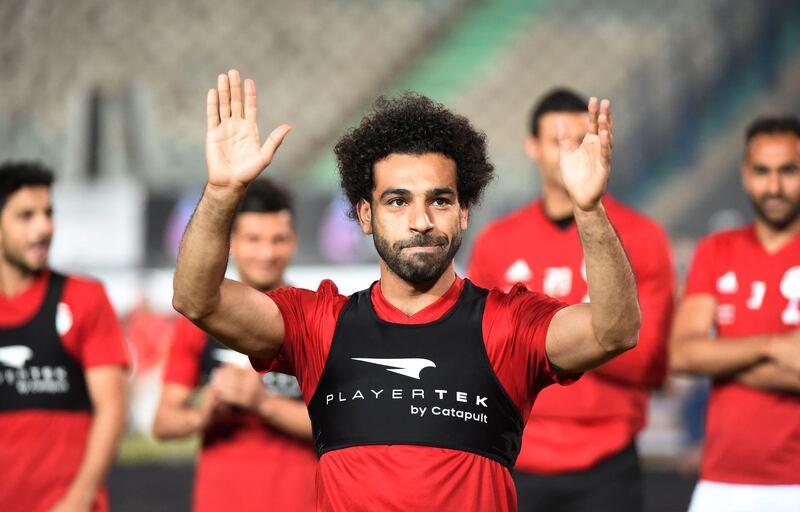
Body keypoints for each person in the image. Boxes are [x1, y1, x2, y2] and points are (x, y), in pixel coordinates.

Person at [172, 69, 641, 512]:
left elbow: (613, 332)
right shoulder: (319, 324)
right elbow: (198, 299)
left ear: (463, 213)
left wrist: (589, 209)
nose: (421, 221)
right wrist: (222, 191)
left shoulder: (507, 325)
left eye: (440, 200)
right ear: (364, 215)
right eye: (397, 201)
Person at [467, 88, 674, 512]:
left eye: (581, 140)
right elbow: (480, 354)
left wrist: (534, 341)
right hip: (515, 455)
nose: (569, 151)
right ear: (531, 148)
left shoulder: (641, 236)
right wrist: (591, 332)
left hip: (608, 462)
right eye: (556, 140)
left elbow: (649, 358)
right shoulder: (496, 242)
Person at [153, 178, 316, 511]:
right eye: (254, 239)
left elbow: (341, 423)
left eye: (278, 240)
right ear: (231, 242)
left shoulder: (317, 318)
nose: (266, 253)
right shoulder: (199, 324)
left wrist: (262, 402)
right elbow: (163, 423)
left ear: (294, 242)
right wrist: (203, 412)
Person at [670, 116, 800, 511]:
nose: (773, 186)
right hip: (721, 485)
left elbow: (702, 353)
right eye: (762, 171)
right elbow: (683, 355)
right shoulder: (716, 249)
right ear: (745, 175)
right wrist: (776, 345)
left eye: (788, 171)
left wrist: (722, 354)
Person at [0, 162, 128, 512]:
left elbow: (113, 409)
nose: (44, 227)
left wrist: (80, 498)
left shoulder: (84, 297)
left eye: (48, 213)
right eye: (26, 216)